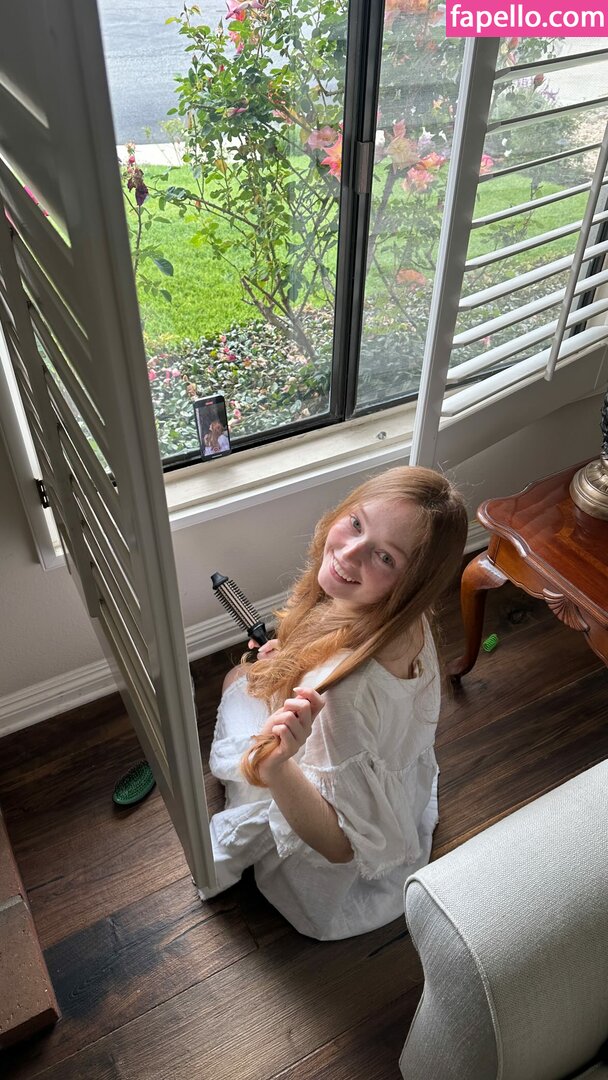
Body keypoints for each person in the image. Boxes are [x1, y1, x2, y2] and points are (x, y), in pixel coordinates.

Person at [202, 466, 468, 940]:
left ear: (412, 582)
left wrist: (278, 764)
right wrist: (294, 661)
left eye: (384, 557)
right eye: (357, 523)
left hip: (334, 860)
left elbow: (340, 847)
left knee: (236, 679)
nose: (348, 553)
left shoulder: (341, 693)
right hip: (378, 785)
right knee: (255, 677)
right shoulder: (410, 618)